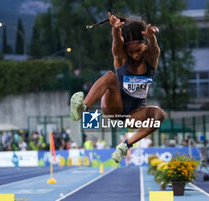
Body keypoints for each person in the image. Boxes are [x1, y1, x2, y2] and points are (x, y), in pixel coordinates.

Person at [70, 12, 165, 163]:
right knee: (109, 76)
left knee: (159, 114)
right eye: (131, 52)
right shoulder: (121, 59)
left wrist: (151, 37)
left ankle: (124, 146)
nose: (134, 55)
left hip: (133, 114)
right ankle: (83, 107)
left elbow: (154, 48)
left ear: (144, 46)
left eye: (138, 51)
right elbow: (117, 44)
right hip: (114, 106)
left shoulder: (150, 60)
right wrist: (115, 30)